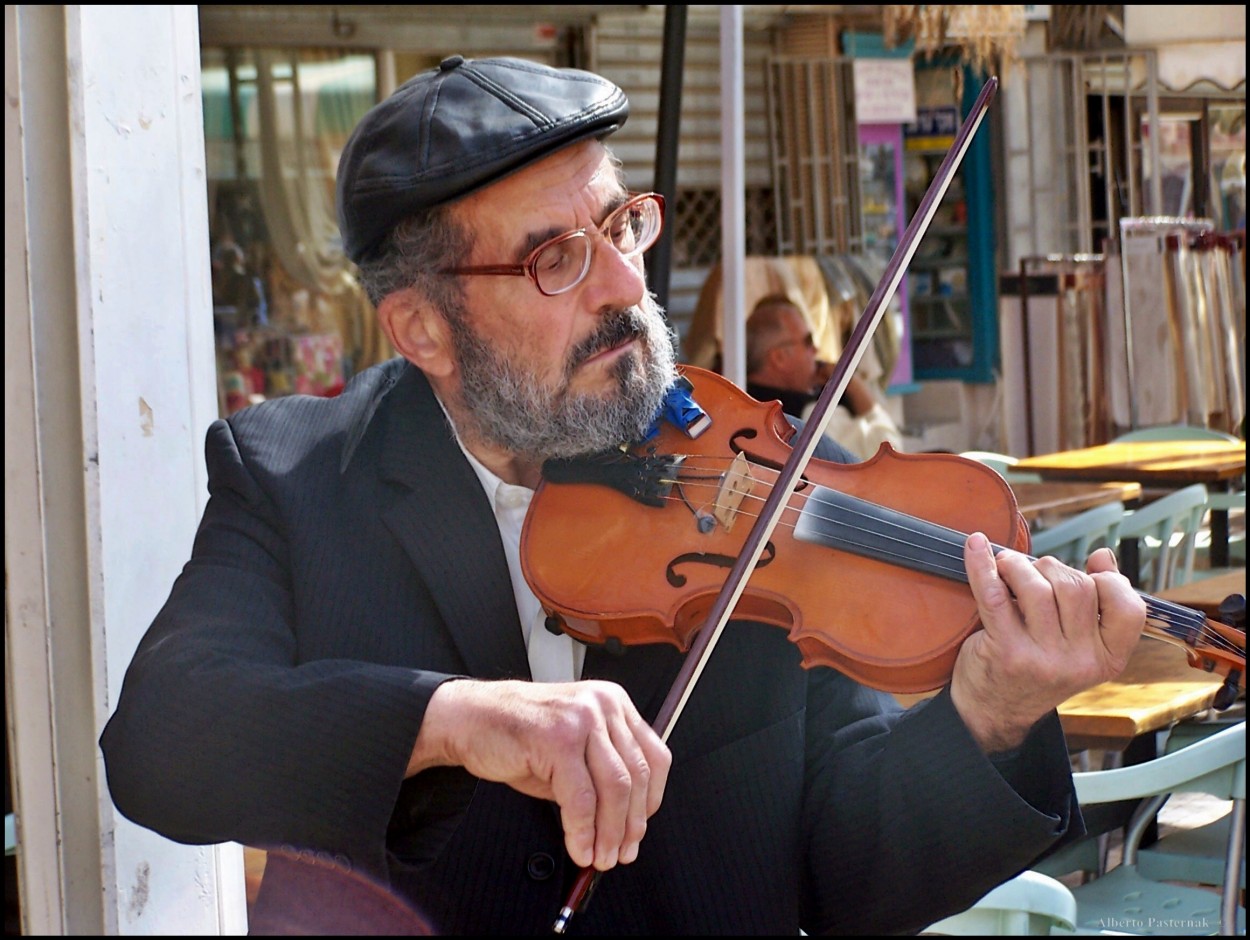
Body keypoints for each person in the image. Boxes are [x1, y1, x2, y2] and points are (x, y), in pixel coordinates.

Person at [99, 55, 1146, 936]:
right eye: (556, 258)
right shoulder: (292, 474)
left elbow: (851, 877)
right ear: (421, 329)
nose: (620, 289)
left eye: (620, 227)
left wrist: (990, 712)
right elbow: (161, 739)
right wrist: (455, 721)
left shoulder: (746, 481)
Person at [745, 292, 904, 461]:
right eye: (808, 341)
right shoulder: (813, 414)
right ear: (779, 358)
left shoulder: (740, 400)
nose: (815, 350)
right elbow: (889, 457)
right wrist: (855, 389)